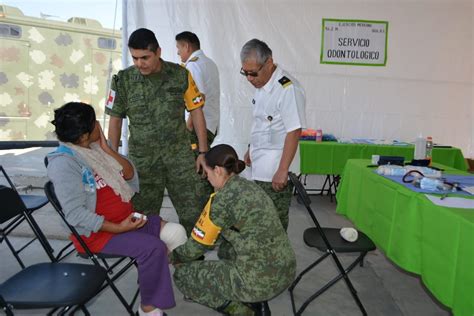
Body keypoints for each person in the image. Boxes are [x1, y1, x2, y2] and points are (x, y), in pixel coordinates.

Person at [47, 102, 187, 316]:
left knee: (177, 233)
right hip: (98, 234)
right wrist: (118, 228)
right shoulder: (64, 163)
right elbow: (75, 214)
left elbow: (130, 175)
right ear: (85, 134)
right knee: (154, 248)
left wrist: (106, 149)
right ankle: (148, 310)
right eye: (95, 123)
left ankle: (156, 275)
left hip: (127, 220)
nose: (99, 126)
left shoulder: (96, 149)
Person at [170, 144, 296, 315]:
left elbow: (196, 247)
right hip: (285, 270)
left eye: (207, 173)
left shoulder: (223, 200)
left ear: (218, 171)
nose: (207, 178)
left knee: (183, 276)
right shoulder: (249, 186)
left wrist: (173, 256)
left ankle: (246, 312)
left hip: (261, 281)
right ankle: (256, 301)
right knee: (226, 250)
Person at [105, 28, 210, 234]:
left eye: (145, 57)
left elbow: (197, 112)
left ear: (158, 52)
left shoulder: (180, 75)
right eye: (135, 58)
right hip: (143, 162)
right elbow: (115, 120)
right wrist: (113, 158)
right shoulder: (123, 80)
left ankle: (192, 258)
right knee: (142, 215)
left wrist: (203, 152)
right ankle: (150, 255)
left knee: (193, 210)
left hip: (179, 157)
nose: (139, 63)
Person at [240, 39, 306, 231]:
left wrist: (283, 169)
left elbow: (294, 130)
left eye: (253, 73)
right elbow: (261, 122)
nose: (250, 78)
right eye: (245, 73)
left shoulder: (288, 89)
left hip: (276, 170)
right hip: (260, 165)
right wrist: (251, 149)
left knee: (273, 225)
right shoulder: (262, 86)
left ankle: (277, 261)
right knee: (260, 220)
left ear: (269, 63)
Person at [175, 31, 220, 147]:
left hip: (198, 127)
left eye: (178, 47)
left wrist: (188, 128)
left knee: (193, 163)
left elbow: (199, 99)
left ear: (187, 47)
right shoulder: (210, 63)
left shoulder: (193, 65)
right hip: (211, 125)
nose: (177, 52)